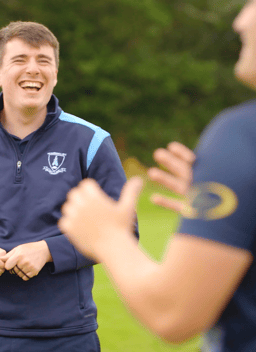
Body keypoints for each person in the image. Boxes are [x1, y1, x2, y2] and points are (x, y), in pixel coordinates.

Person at [0, 21, 138, 352]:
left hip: (67, 334)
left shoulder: (91, 142)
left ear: (56, 74)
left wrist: (48, 251)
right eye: (19, 59)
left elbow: (123, 231)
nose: (33, 69)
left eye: (43, 60)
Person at [59, 1, 256, 351]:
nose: (240, 22)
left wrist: (107, 236)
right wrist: (236, 208)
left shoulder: (243, 135)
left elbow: (174, 313)